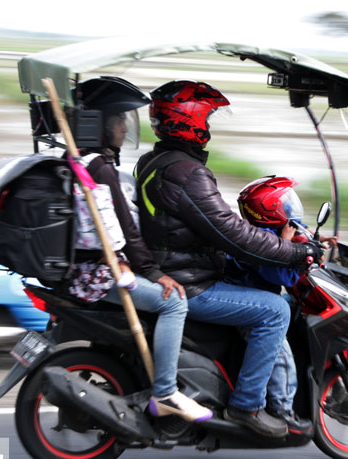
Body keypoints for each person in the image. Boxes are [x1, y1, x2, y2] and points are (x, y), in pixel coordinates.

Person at [134, 80, 323, 437]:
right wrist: (296, 251)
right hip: (190, 282)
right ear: (187, 121)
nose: (208, 127)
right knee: (275, 309)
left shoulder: (154, 161)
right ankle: (247, 406)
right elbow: (232, 234)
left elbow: (211, 224)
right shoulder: (187, 173)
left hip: (171, 267)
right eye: (206, 118)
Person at [69, 76, 212, 423]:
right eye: (119, 121)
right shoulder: (99, 167)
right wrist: (154, 273)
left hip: (87, 268)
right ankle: (165, 392)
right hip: (99, 275)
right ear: (102, 125)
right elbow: (126, 230)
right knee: (174, 302)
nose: (124, 129)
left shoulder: (81, 159)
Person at [229, 175, 337, 435]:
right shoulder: (263, 241)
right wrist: (290, 247)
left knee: (291, 306)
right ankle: (282, 408)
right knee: (281, 352)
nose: (289, 211)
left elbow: (291, 234)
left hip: (253, 295)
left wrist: (312, 239)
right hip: (250, 304)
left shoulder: (259, 230)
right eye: (285, 205)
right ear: (269, 209)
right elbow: (280, 274)